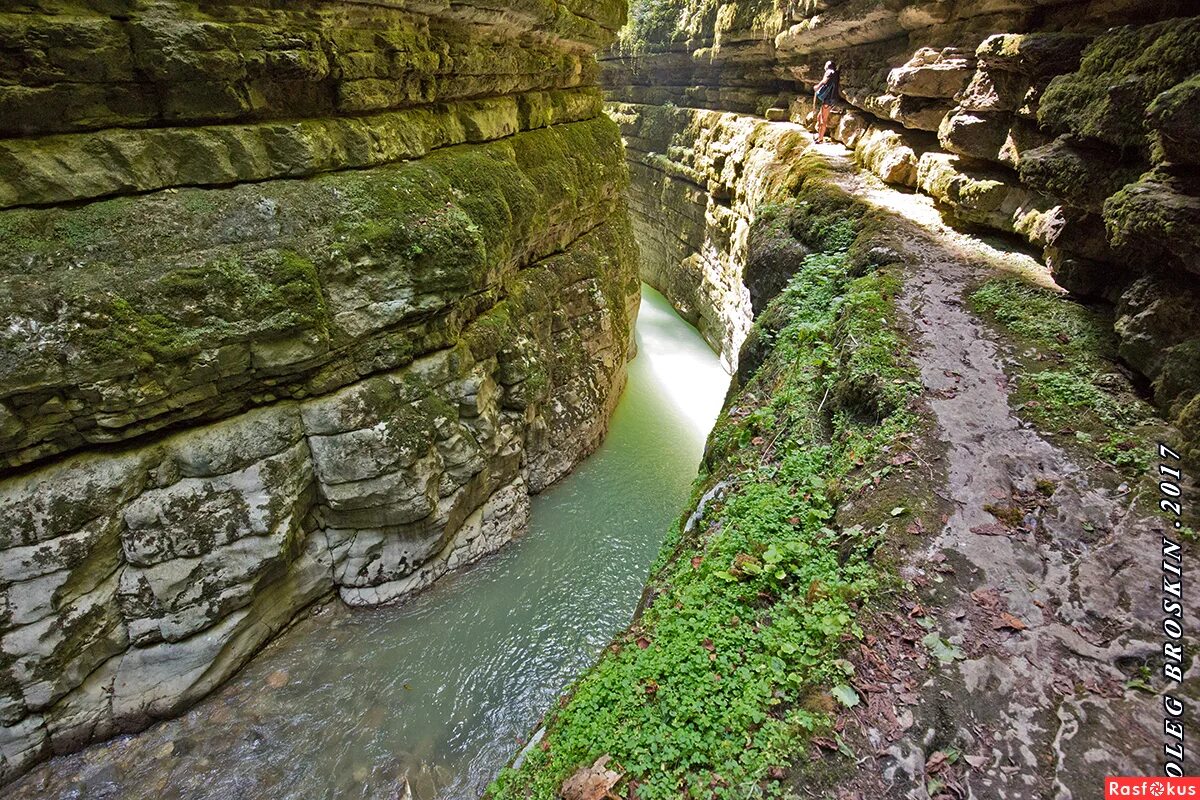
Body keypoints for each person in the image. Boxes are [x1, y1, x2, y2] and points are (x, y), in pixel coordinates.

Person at [812, 60, 840, 143]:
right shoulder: (835, 73)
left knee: (823, 120)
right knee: (819, 117)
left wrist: (817, 86)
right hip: (831, 98)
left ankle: (820, 139)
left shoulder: (829, 72)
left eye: (826, 65)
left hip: (828, 99)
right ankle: (820, 136)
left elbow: (824, 81)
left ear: (828, 66)